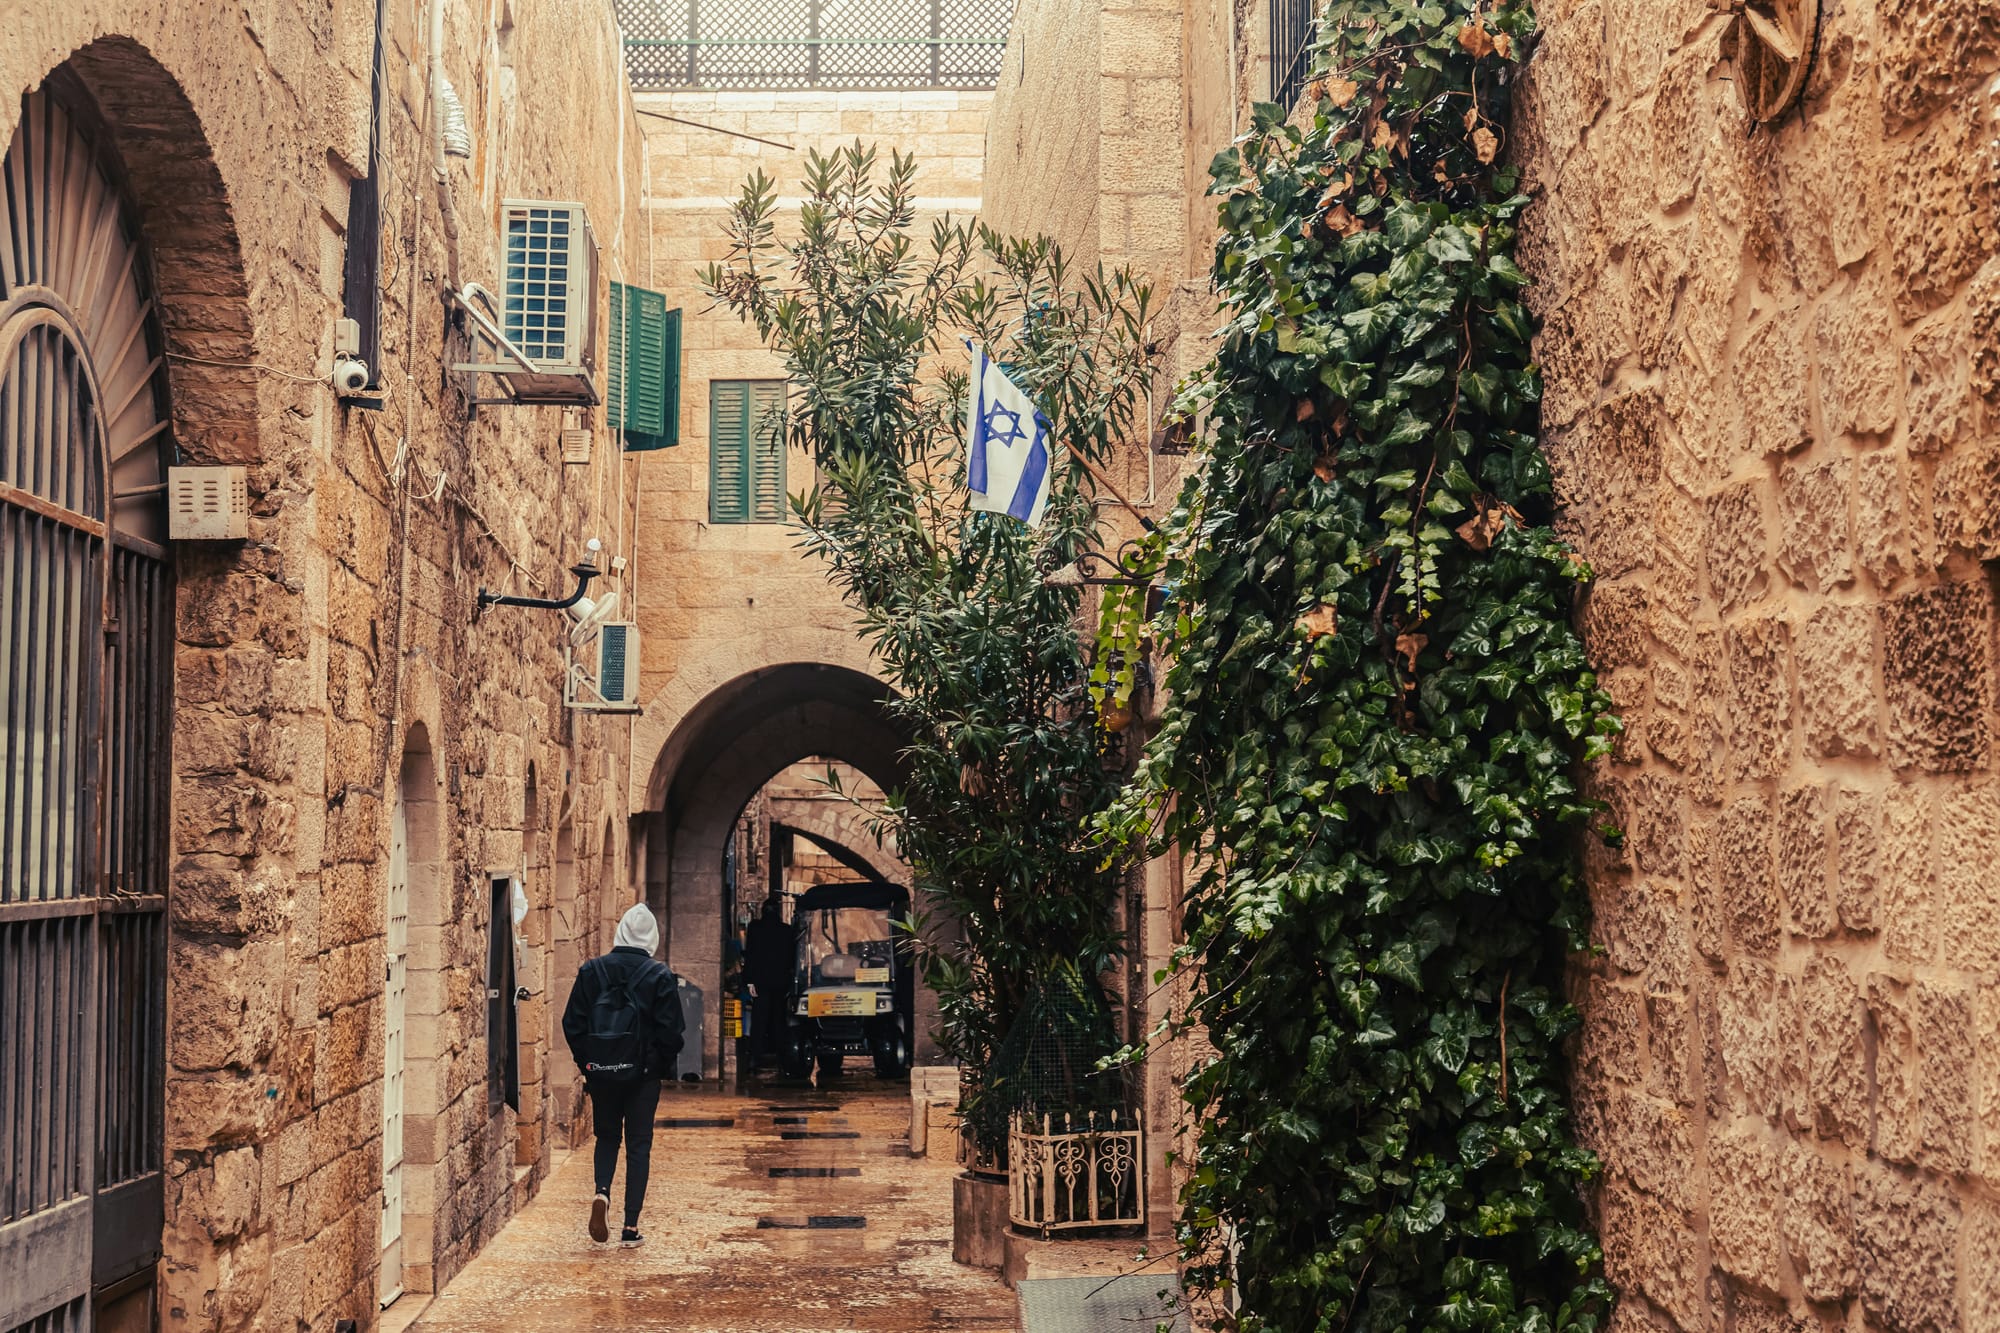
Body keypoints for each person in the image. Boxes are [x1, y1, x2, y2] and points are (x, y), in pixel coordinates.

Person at [563, 903, 684, 1247]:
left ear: (620, 932)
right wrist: (657, 1065)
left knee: (607, 1137)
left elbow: (572, 1023)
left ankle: (602, 1192)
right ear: (651, 937)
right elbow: (672, 1032)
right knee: (639, 1145)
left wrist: (588, 1062)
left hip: (602, 1073)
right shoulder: (659, 976)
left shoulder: (591, 971)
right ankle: (630, 1228)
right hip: (643, 1076)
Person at [743, 896, 793, 1072]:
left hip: (761, 982)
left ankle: (755, 1057)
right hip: (780, 982)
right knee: (779, 1020)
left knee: (759, 1020)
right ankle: (781, 1058)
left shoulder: (755, 928)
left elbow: (750, 955)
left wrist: (749, 981)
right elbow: (790, 958)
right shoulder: (786, 931)